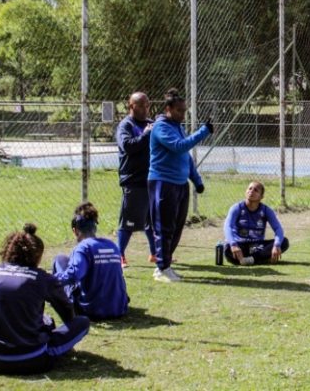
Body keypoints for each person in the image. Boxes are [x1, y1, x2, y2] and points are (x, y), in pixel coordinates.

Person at [0, 224, 90, 375]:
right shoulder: (43, 279)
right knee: (82, 322)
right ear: (37, 256)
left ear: (8, 251)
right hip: (32, 361)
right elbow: (66, 310)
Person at [149, 88, 213, 283]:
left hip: (180, 184)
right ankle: (161, 268)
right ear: (168, 109)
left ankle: (166, 264)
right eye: (179, 110)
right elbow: (179, 146)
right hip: (163, 182)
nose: (182, 115)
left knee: (176, 227)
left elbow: (185, 156)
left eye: (184, 111)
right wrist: (203, 131)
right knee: (164, 227)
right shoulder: (160, 127)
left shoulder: (177, 126)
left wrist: (197, 180)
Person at [52, 202, 129, 319]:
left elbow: (73, 275)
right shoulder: (112, 245)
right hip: (118, 308)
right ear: (94, 227)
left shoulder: (83, 248)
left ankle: (50, 296)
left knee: (60, 260)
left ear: (75, 231)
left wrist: (48, 280)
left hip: (91, 311)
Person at [115, 91, 156, 267]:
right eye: (142, 105)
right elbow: (128, 146)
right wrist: (146, 134)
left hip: (152, 178)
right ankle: (119, 255)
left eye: (148, 105)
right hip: (134, 180)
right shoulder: (126, 125)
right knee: (129, 221)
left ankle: (155, 253)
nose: (146, 108)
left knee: (152, 220)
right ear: (131, 106)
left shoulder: (151, 124)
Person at [219, 181, 289, 265]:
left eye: (256, 190)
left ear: (261, 196)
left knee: (284, 242)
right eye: (249, 188)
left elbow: (278, 228)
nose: (251, 191)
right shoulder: (236, 208)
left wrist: (276, 245)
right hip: (240, 245)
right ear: (246, 191)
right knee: (227, 249)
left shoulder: (266, 210)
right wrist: (233, 245)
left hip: (256, 247)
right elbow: (227, 226)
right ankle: (261, 259)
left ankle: (252, 260)